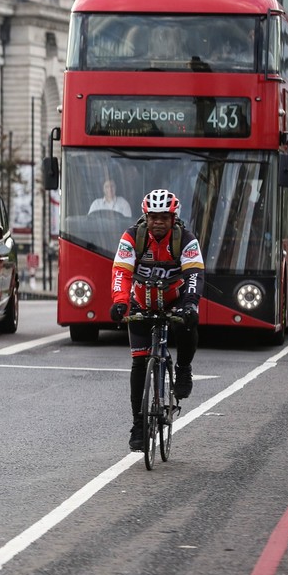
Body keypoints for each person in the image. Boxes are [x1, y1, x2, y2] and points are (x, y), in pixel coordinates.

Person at [109, 189, 204, 452]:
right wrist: (120, 302)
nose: (158, 222)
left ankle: (184, 368)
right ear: (146, 217)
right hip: (142, 301)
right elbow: (121, 272)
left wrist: (190, 304)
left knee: (186, 323)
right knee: (139, 362)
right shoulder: (132, 237)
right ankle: (139, 424)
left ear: (173, 218)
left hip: (174, 300)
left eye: (164, 217)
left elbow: (195, 274)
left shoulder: (185, 239)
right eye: (153, 217)